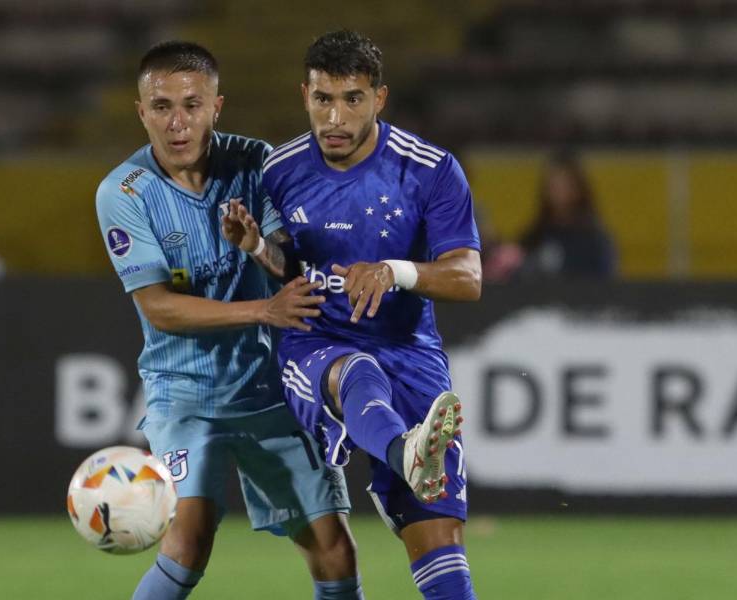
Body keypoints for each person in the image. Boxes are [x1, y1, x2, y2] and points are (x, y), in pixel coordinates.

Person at [95, 41, 363, 600]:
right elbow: (159, 308)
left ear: (217, 107)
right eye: (162, 106)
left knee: (334, 549)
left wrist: (258, 245)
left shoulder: (259, 164)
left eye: (192, 105)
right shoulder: (123, 193)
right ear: (141, 112)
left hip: (270, 388)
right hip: (184, 395)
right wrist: (264, 309)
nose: (177, 123)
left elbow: (292, 264)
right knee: (189, 540)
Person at [223, 30, 481, 599]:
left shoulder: (430, 170)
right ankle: (404, 452)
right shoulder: (280, 171)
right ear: (305, 96)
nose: (335, 117)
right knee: (353, 369)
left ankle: (410, 459)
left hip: (410, 353)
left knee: (441, 550)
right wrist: (258, 249)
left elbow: (468, 277)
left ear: (379, 99)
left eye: (352, 99)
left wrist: (396, 269)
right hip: (317, 340)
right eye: (322, 100)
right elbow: (290, 264)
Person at [516, 150, 617, 279]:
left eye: (563, 185)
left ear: (578, 189)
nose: (556, 191)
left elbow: (606, 283)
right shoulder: (535, 237)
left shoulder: (595, 241)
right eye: (552, 185)